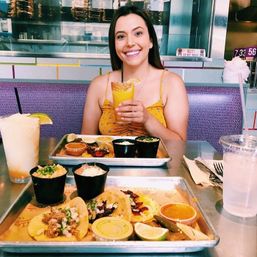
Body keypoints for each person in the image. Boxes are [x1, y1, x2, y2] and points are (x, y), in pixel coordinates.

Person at [81, 5, 189, 141]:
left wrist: (148, 119)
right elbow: (85, 143)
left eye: (138, 33)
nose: (130, 43)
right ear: (114, 45)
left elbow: (179, 144)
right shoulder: (99, 85)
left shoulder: (172, 83)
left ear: (150, 41)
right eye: (121, 36)